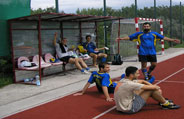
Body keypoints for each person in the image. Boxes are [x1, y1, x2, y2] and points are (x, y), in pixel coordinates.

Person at [114, 66, 180, 114]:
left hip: (120, 107)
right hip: (129, 109)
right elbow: (155, 88)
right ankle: (165, 104)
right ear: (131, 75)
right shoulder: (131, 84)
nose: (139, 75)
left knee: (143, 89)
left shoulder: (123, 80)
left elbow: (142, 81)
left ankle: (161, 100)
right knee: (150, 90)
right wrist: (155, 88)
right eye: (137, 73)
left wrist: (151, 86)